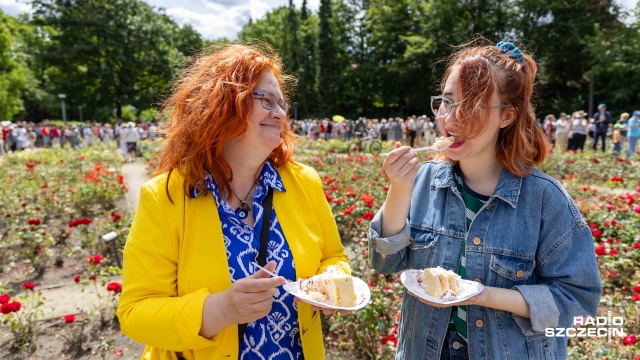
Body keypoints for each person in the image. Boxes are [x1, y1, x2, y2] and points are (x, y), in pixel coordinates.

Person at [368, 40, 601, 359]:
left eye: (473, 105)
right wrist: (399, 187)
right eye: (447, 101)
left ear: (506, 116)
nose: (451, 118)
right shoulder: (422, 180)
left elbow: (577, 303)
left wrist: (484, 295)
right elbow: (384, 262)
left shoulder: (545, 200)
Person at [117, 43, 351, 360]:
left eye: (282, 103)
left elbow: (333, 256)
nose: (280, 113)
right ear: (224, 105)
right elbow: (135, 313)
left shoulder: (304, 182)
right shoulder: (166, 197)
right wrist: (219, 309)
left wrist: (332, 279)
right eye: (267, 100)